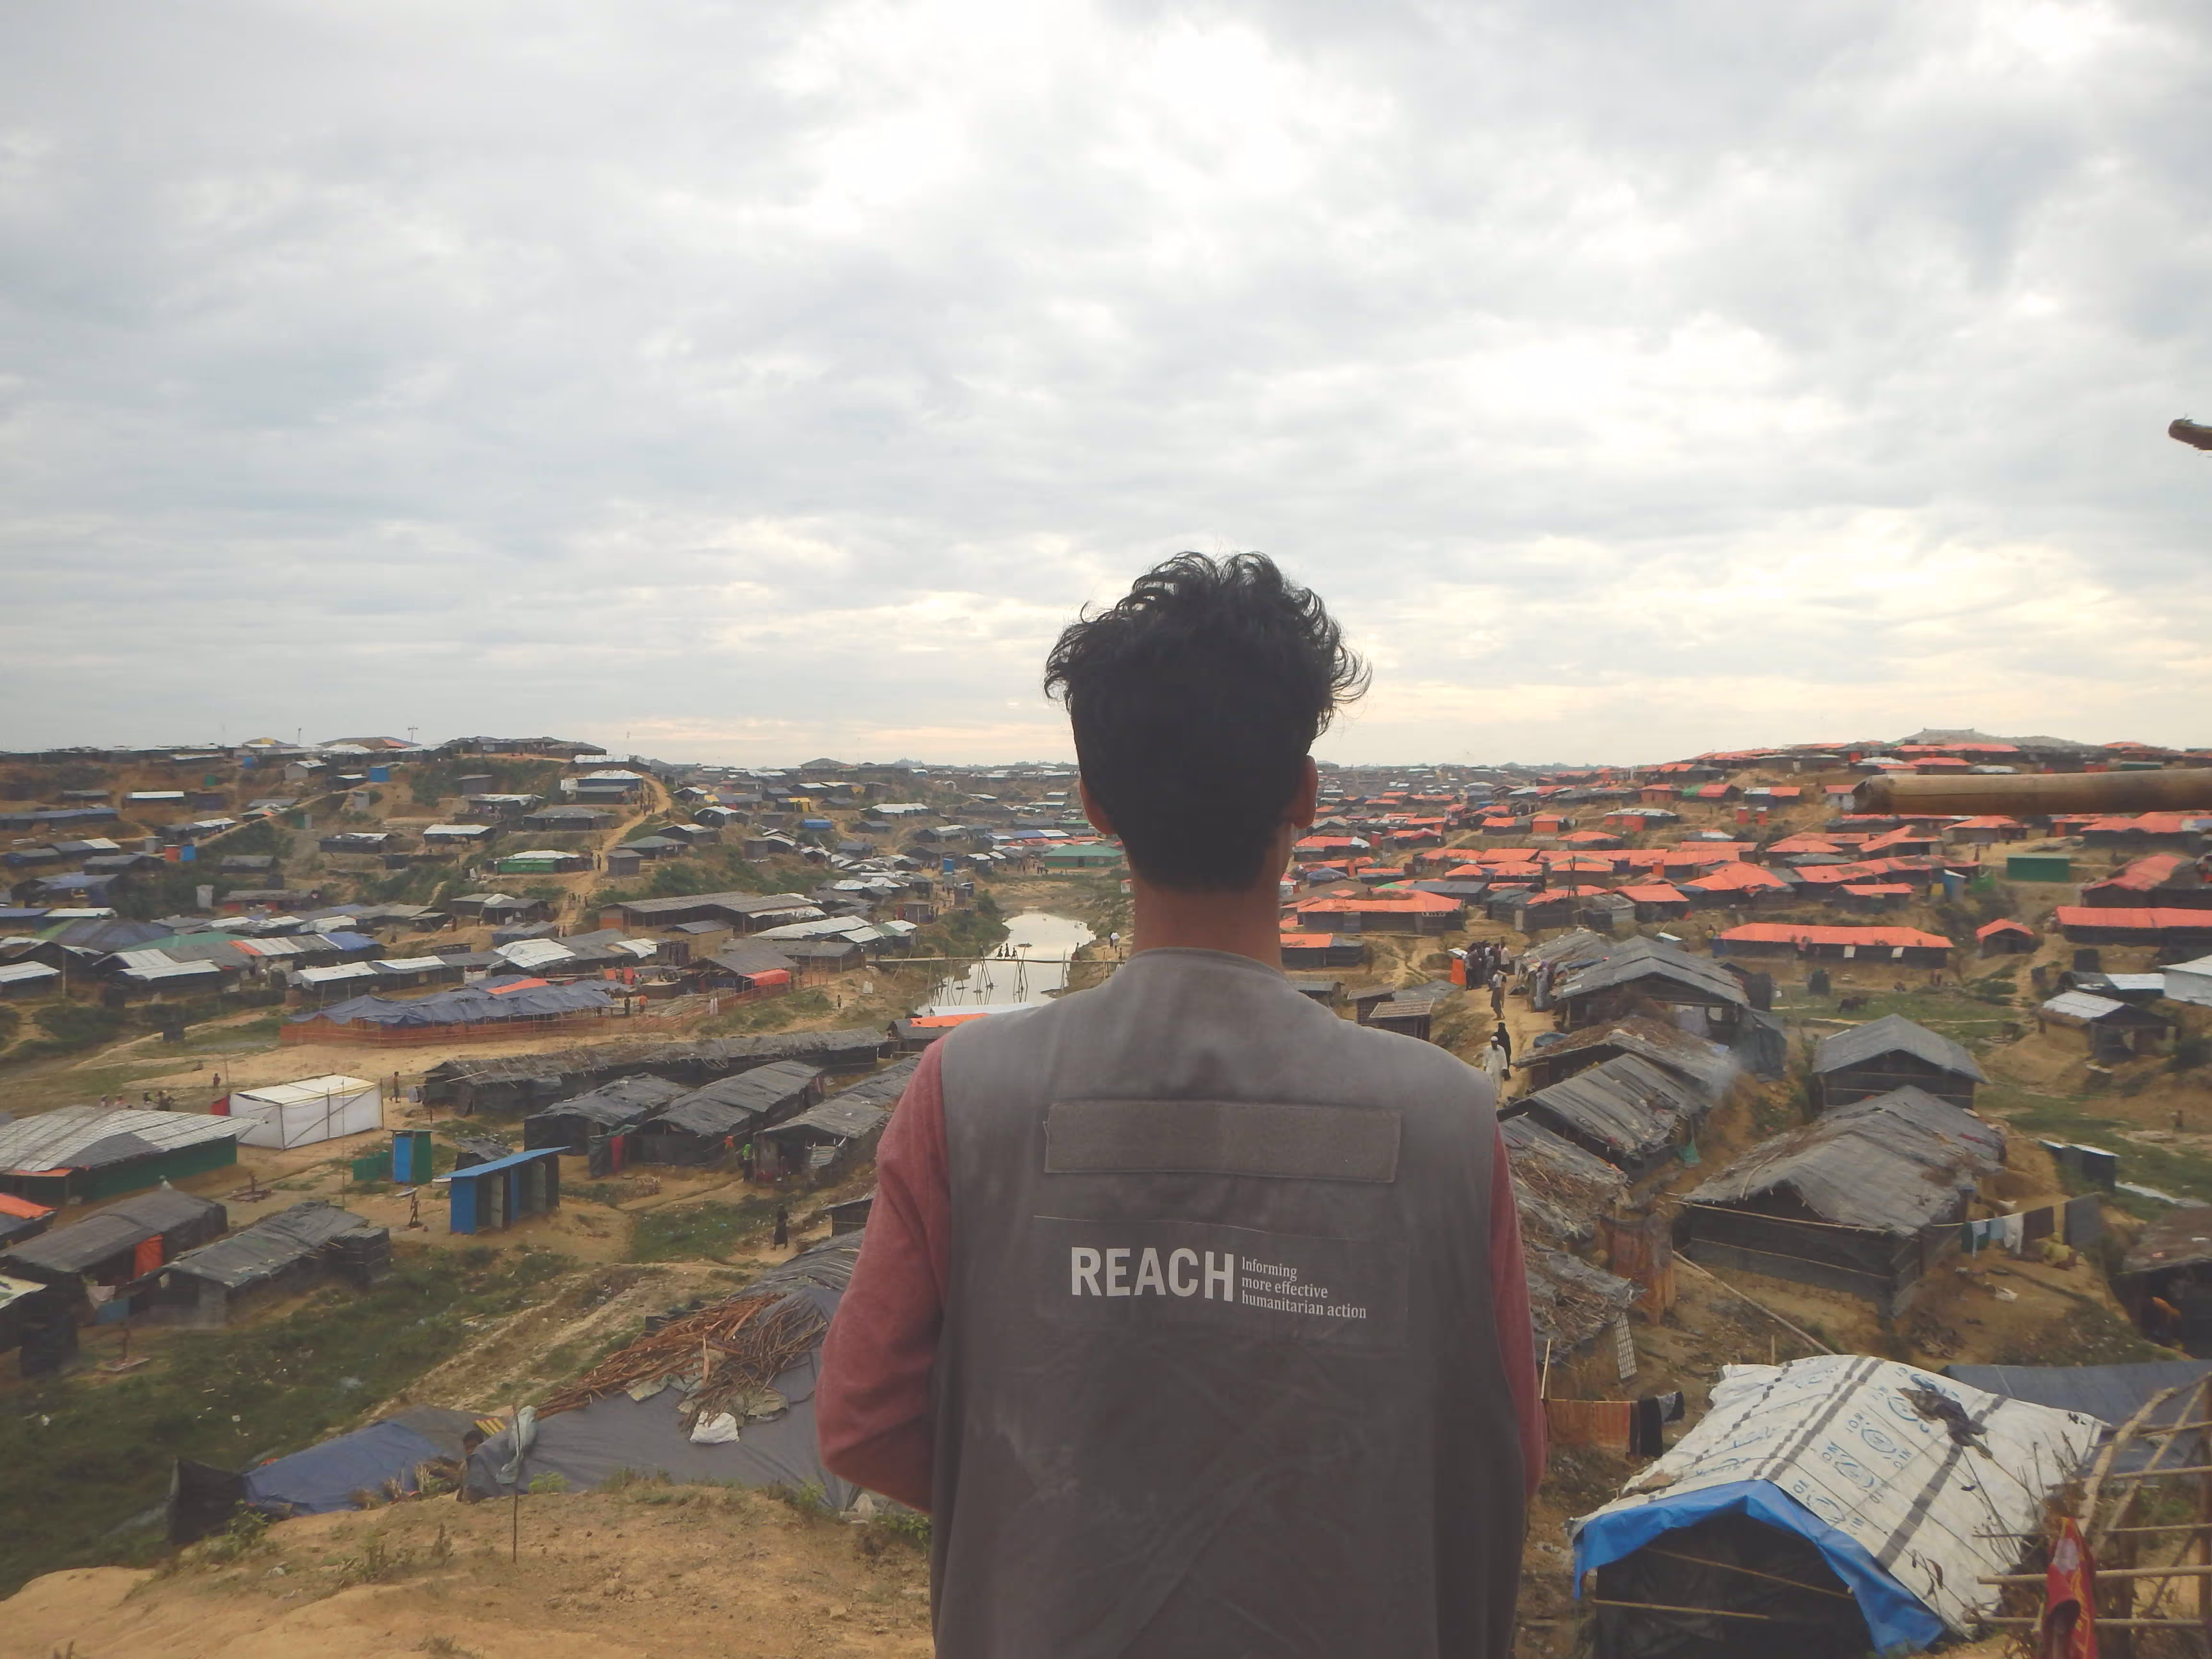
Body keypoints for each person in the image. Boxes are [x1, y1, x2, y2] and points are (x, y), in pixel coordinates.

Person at [819, 553, 1539, 1659]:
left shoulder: (966, 1094)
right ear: (1302, 793)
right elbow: (1502, 1457)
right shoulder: (1445, 1122)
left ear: (1097, 806)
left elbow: (864, 1423)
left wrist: (1069, 1512)